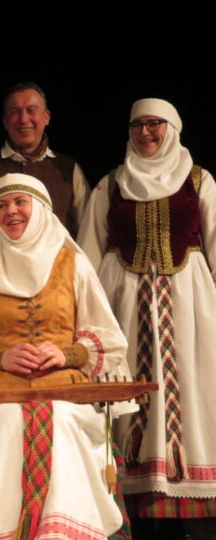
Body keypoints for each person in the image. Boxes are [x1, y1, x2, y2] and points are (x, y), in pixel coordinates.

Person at [0, 173, 133, 540]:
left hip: (65, 392)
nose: (10, 211)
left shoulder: (73, 263)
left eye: (19, 202)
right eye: (2, 205)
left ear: (40, 208)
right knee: (4, 424)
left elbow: (109, 338)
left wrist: (67, 353)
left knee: (62, 420)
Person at [78, 98, 216, 538]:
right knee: (127, 387)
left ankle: (183, 500)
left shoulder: (199, 180)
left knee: (189, 384)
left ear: (172, 128)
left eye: (154, 124)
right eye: (137, 125)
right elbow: (88, 250)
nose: (145, 133)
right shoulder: (112, 183)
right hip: (124, 298)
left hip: (187, 300)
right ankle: (129, 499)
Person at [0, 82, 89, 238]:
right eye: (15, 111)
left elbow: (86, 230)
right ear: (5, 121)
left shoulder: (68, 169)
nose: (23, 119)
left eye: (31, 110)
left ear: (46, 117)